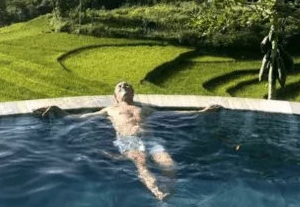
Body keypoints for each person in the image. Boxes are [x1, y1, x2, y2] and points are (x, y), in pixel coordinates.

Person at [33, 81, 223, 201]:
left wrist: (201, 112)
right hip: (128, 140)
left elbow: (174, 114)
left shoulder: (145, 108)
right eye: (119, 87)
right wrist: (58, 110)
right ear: (114, 96)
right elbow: (81, 118)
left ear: (133, 92)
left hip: (150, 139)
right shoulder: (109, 110)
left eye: (127, 86)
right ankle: (159, 194)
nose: (124, 88)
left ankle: (169, 190)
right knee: (142, 165)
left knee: (170, 165)